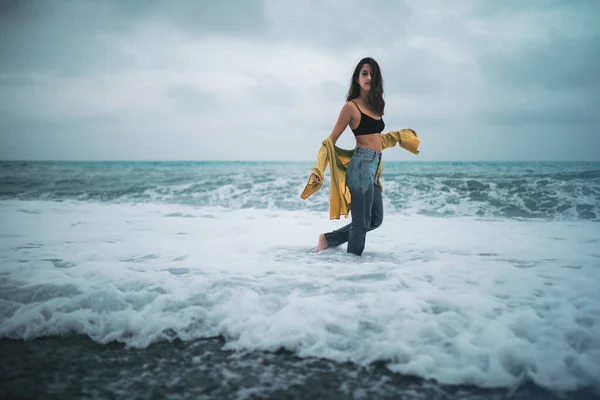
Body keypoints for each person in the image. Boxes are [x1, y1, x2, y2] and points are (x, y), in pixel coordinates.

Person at [312, 57, 416, 256]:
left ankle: (329, 239)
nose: (369, 78)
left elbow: (378, 140)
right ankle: (353, 272)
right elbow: (330, 140)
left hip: (374, 167)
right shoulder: (352, 107)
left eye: (372, 74)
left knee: (375, 220)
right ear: (357, 78)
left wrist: (402, 135)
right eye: (364, 73)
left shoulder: (376, 107)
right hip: (360, 166)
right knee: (361, 224)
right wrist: (318, 169)